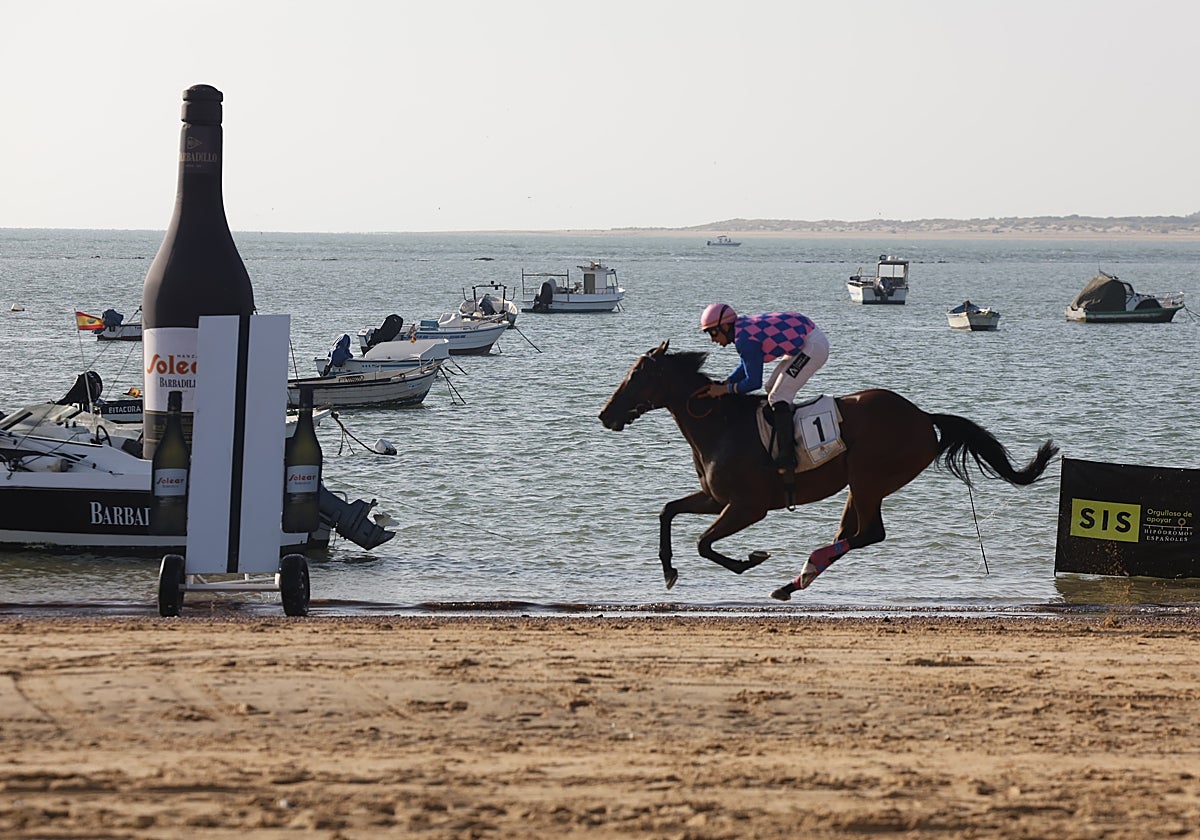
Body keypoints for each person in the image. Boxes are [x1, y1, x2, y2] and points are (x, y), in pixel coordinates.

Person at [699, 303, 830, 475]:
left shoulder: (744, 339)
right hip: (804, 339)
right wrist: (726, 382)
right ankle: (786, 437)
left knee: (778, 396)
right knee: (771, 389)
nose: (713, 340)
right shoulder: (742, 331)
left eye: (713, 333)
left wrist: (725, 390)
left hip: (813, 345)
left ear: (724, 326)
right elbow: (745, 366)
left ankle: (788, 457)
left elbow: (753, 382)